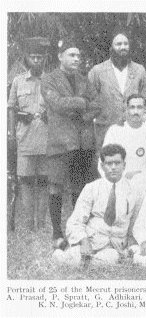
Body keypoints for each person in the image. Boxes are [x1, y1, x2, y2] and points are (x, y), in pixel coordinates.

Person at [42, 38, 101, 249]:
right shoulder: (49, 79)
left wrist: (82, 112)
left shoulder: (85, 80)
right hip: (60, 143)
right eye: (71, 55)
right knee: (56, 186)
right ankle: (57, 233)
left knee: (80, 188)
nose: (76, 59)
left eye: (78, 55)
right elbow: (57, 104)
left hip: (83, 142)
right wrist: (82, 102)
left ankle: (77, 231)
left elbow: (97, 105)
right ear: (60, 56)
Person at [52, 144, 136, 265]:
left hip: (115, 246)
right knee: (80, 255)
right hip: (92, 241)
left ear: (124, 165)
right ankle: (75, 257)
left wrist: (131, 247)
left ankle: (74, 259)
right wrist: (84, 242)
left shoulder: (133, 191)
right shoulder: (91, 188)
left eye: (117, 163)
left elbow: (135, 224)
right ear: (102, 166)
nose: (113, 167)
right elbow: (76, 221)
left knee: (110, 258)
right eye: (109, 163)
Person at [8, 37, 50, 230]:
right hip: (24, 139)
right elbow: (11, 108)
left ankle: (40, 224)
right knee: (24, 181)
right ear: (27, 58)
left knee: (42, 181)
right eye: (33, 57)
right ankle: (27, 224)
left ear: (45, 58)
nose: (36, 61)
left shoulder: (51, 81)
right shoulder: (18, 81)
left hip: (46, 139)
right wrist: (10, 135)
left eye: (39, 57)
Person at [87, 31, 146, 152]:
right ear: (111, 48)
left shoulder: (139, 70)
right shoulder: (97, 71)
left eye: (126, 44)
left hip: (132, 130)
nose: (123, 47)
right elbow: (89, 102)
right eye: (118, 44)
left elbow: (143, 98)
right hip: (105, 130)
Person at [101, 94, 146, 195]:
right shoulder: (115, 131)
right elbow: (103, 163)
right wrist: (122, 177)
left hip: (145, 187)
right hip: (119, 186)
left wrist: (139, 178)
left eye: (139, 107)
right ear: (126, 109)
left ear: (144, 109)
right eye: (132, 107)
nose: (135, 112)